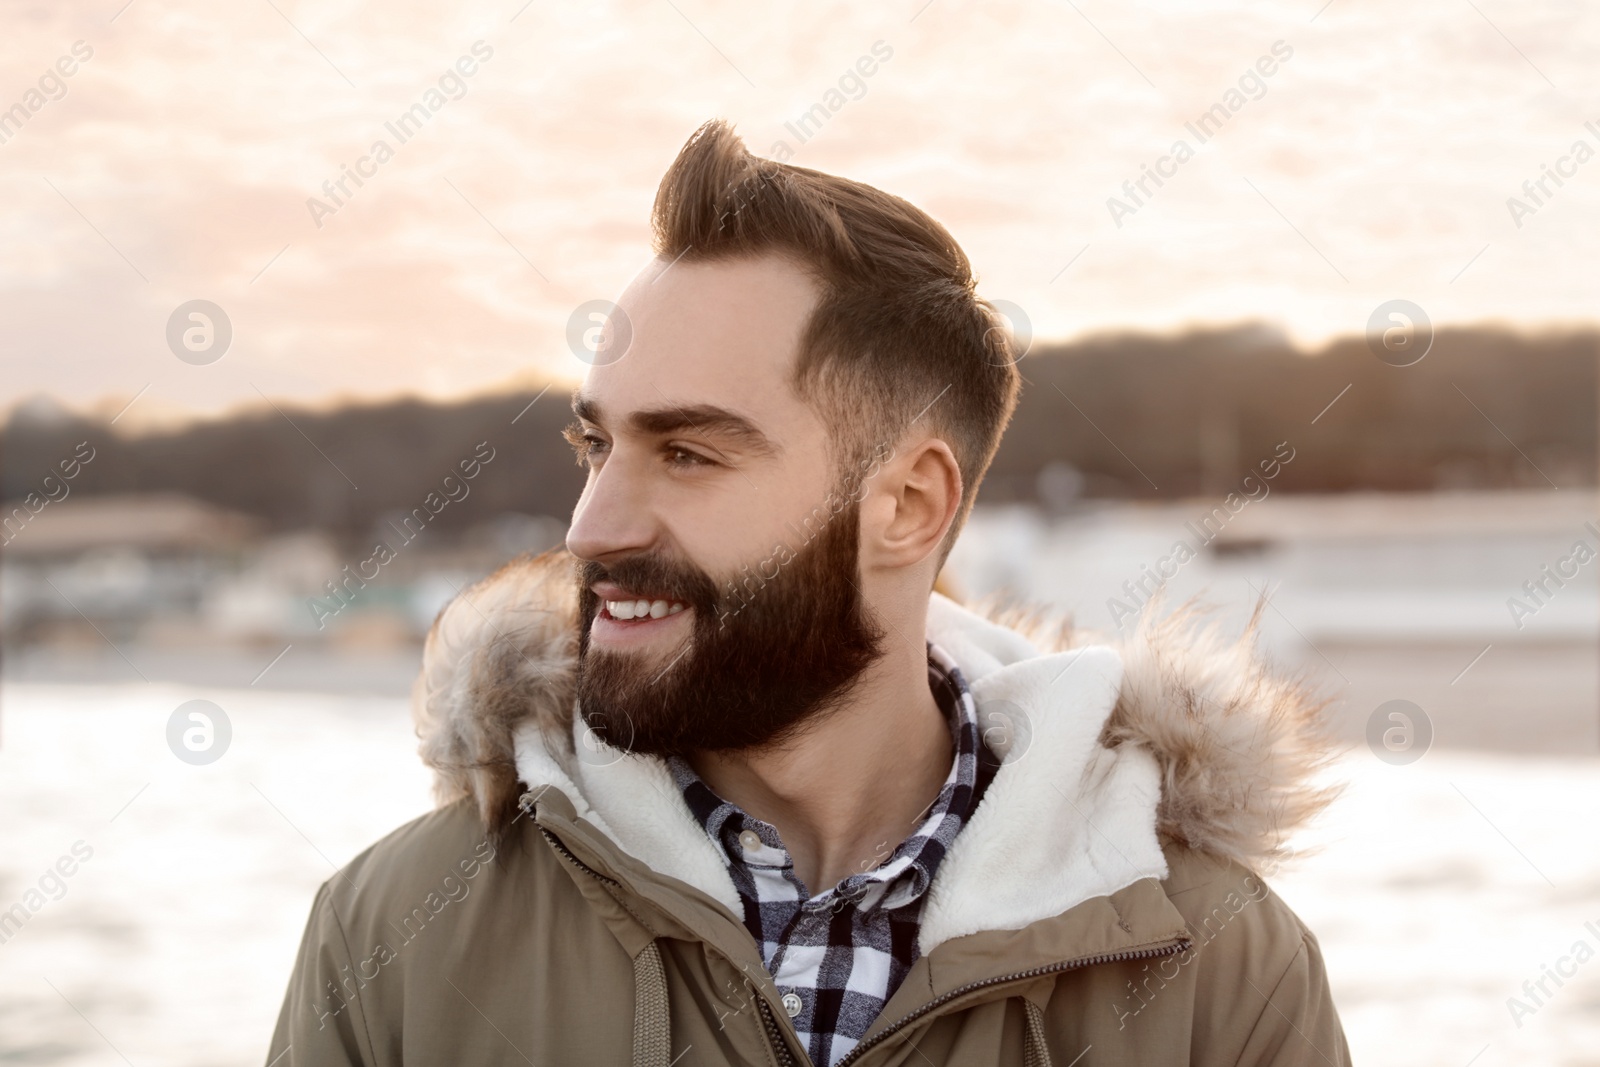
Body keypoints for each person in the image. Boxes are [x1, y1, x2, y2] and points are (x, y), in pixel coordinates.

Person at [267, 119, 1350, 1067]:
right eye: (595, 444)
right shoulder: (395, 931)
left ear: (907, 504)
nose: (589, 526)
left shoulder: (1220, 974)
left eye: (688, 452)